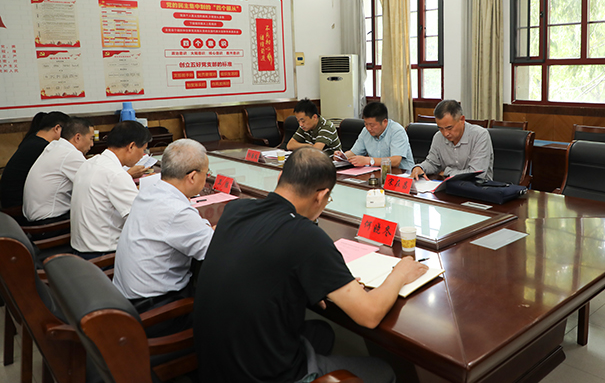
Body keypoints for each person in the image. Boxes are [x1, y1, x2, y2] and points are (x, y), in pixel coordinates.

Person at [194, 147, 427, 383]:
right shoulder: (307, 236)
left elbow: (260, 267)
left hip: (213, 366)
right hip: (264, 376)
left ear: (280, 177)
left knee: (322, 334)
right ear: (320, 196)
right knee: (384, 371)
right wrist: (399, 273)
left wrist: (308, 283)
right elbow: (369, 315)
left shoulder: (236, 210)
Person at [113, 139, 213, 319]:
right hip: (155, 310)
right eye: (207, 173)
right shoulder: (177, 210)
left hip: (126, 298)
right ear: (192, 177)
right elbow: (216, 250)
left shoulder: (150, 191)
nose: (207, 178)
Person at [70, 120, 152, 258]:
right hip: (103, 255)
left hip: (81, 251)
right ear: (131, 146)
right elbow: (140, 219)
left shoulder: (90, 162)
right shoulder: (116, 174)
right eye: (143, 150)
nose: (142, 155)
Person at [22, 117, 94, 224]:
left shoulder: (55, 146)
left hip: (33, 217)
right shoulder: (70, 154)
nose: (92, 144)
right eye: (91, 139)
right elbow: (95, 183)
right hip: (49, 222)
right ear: (78, 137)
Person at [0, 111, 70, 209]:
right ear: (57, 128)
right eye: (67, 131)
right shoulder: (43, 147)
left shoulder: (32, 139)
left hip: (9, 199)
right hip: (18, 204)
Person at [410, 100, 493, 181]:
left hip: (477, 187)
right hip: (448, 186)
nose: (445, 133)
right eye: (441, 128)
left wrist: (447, 172)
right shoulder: (438, 137)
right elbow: (432, 163)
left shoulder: (480, 135)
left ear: (462, 120)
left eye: (449, 128)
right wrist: (420, 168)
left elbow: (477, 174)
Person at [334, 102, 414, 171]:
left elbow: (396, 161)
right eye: (366, 124)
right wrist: (342, 156)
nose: (368, 128)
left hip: (402, 175)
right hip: (378, 173)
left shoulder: (397, 131)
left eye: (372, 125)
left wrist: (368, 160)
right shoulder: (365, 131)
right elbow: (354, 153)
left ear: (385, 122)